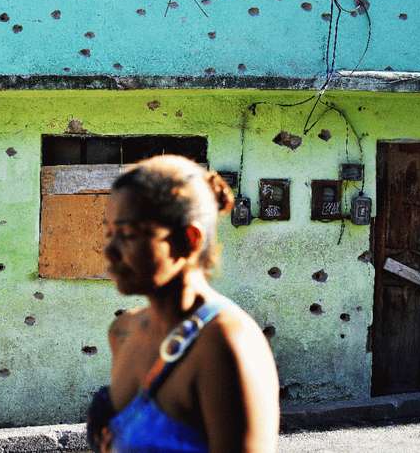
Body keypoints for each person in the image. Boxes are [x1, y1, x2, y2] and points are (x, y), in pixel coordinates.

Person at [87, 155, 279, 453]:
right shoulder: (123, 333)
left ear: (188, 240)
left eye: (128, 234)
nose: (109, 250)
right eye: (108, 232)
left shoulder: (226, 343)